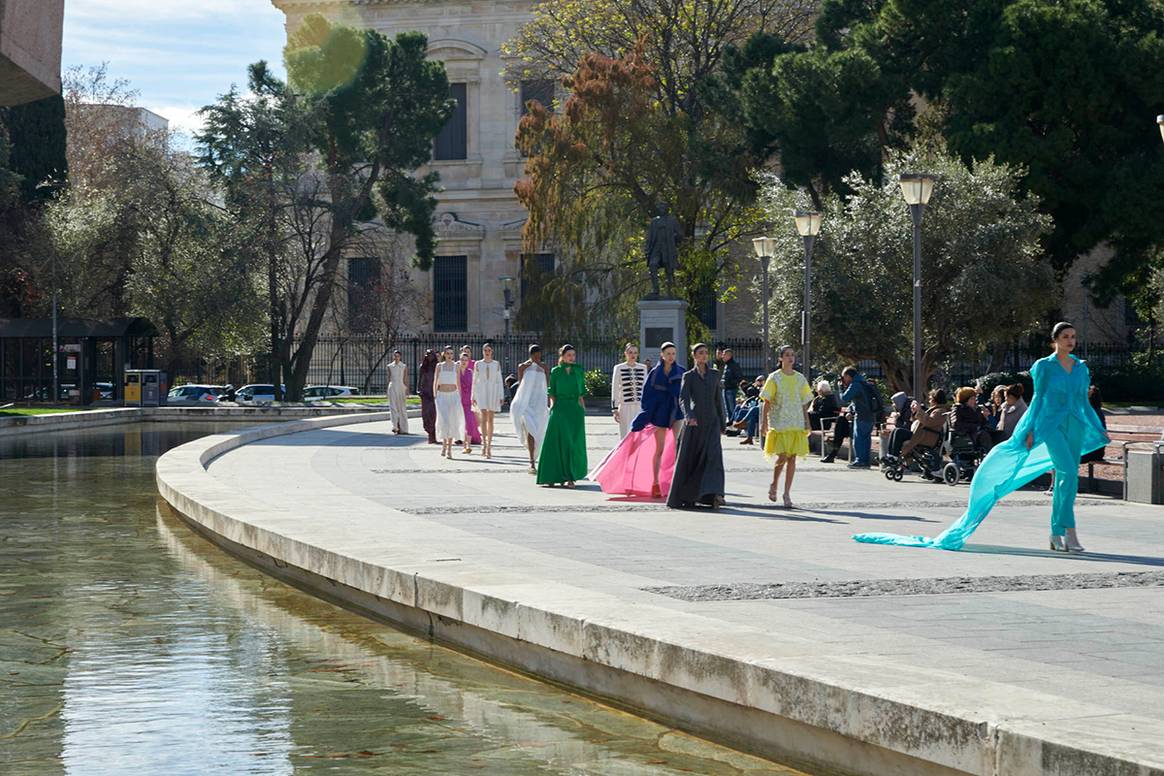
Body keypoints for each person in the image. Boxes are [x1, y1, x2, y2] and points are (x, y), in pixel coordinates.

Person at [855, 322, 1109, 552]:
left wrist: (1097, 426)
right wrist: (1029, 430)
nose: (1070, 341)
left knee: (1068, 478)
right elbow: (1038, 401)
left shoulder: (1081, 369)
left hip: (1075, 424)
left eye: (1073, 337)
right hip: (1051, 427)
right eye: (1065, 336)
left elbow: (1082, 402)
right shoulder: (1043, 366)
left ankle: (1057, 533)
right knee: (1068, 472)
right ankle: (1070, 532)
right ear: (1054, 340)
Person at [589, 342, 683, 498]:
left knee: (673, 447)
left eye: (674, 353)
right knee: (656, 448)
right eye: (668, 353)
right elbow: (643, 394)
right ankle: (654, 482)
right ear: (662, 355)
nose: (671, 357)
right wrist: (616, 408)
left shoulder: (679, 371)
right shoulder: (653, 373)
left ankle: (671, 482)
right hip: (654, 412)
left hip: (676, 413)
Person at [668, 343, 726, 509]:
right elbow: (683, 398)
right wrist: (689, 416)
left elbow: (718, 400)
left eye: (706, 353)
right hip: (695, 422)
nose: (704, 356)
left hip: (712, 421)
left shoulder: (715, 374)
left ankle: (716, 494)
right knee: (693, 458)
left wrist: (722, 422)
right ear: (694, 356)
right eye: (700, 353)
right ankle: (690, 494)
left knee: (714, 457)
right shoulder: (689, 376)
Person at [759, 346, 813, 508]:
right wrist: (764, 422)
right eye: (787, 355)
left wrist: (807, 421)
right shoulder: (774, 378)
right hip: (779, 421)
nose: (791, 358)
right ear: (781, 358)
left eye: (792, 355)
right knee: (782, 457)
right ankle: (774, 484)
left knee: (792, 458)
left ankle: (787, 493)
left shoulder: (800, 378)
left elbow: (804, 402)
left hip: (796, 422)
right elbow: (766, 401)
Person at [537, 344, 588, 487]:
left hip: (575, 410)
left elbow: (581, 393)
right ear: (562, 356)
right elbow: (551, 391)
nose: (572, 358)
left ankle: (571, 477)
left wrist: (582, 409)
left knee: (573, 443)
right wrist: (553, 407)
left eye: (573, 355)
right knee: (556, 442)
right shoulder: (556, 371)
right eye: (569, 355)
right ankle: (552, 476)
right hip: (559, 409)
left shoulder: (578, 370)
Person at [510, 345, 550, 474]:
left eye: (539, 355)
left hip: (539, 404)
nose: (538, 358)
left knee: (539, 431)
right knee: (530, 429)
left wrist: (549, 401)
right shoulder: (523, 367)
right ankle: (531, 461)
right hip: (526, 404)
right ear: (531, 355)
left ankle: (537, 457)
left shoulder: (544, 367)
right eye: (535, 355)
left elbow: (548, 385)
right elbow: (521, 384)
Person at [839, 366, 875, 468]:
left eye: (844, 377)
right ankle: (865, 461)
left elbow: (845, 398)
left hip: (862, 416)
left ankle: (860, 461)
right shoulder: (864, 383)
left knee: (858, 439)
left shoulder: (855, 385)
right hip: (870, 415)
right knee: (866, 439)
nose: (843, 379)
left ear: (848, 376)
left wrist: (841, 388)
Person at [472, 342, 504, 459]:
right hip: (481, 392)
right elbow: (474, 380)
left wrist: (501, 395)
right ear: (483, 351)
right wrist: (473, 396)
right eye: (485, 350)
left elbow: (499, 380)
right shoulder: (478, 364)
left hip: (493, 392)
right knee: (484, 417)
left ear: (492, 352)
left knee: (491, 419)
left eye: (489, 350)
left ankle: (489, 446)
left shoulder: (496, 364)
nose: (487, 352)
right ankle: (484, 445)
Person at [611, 343, 648, 439]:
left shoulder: (643, 368)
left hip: (640, 406)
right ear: (625, 353)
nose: (633, 355)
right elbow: (615, 388)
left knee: (640, 435)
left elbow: (646, 388)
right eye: (630, 352)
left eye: (635, 353)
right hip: (625, 407)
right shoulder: (618, 368)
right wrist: (615, 409)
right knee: (625, 435)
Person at [434, 346, 465, 459]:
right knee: (444, 421)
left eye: (451, 353)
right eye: (447, 353)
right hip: (442, 396)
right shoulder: (439, 366)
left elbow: (458, 382)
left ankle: (449, 449)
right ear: (444, 354)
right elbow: (435, 381)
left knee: (452, 421)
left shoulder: (456, 366)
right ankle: (444, 444)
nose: (449, 355)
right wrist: (435, 395)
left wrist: (460, 397)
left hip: (453, 396)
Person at [952, 387, 994, 452]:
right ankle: (991, 455)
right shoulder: (958, 409)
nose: (974, 401)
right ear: (965, 400)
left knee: (998, 434)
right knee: (984, 435)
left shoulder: (977, 408)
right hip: (967, 434)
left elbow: (982, 422)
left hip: (978, 432)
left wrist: (986, 419)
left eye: (975, 398)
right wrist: (975, 427)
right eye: (972, 399)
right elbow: (956, 424)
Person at [458, 347, 482, 453]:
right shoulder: (456, 372)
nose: (464, 362)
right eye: (462, 360)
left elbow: (475, 387)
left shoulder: (471, 372)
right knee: (460, 423)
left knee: (470, 423)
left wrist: (475, 398)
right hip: (458, 400)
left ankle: (467, 445)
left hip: (468, 401)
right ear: (459, 361)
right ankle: (464, 444)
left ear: (469, 362)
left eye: (466, 360)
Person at [386, 350, 410, 435]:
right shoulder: (390, 366)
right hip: (392, 386)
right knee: (393, 407)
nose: (396, 358)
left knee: (402, 408)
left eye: (398, 356)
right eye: (395, 356)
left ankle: (404, 428)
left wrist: (407, 390)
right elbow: (389, 378)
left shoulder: (403, 366)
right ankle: (395, 426)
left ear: (400, 357)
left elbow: (406, 378)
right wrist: (387, 391)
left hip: (401, 387)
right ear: (393, 357)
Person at [719, 347, 743, 429]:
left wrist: (730, 383)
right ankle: (730, 425)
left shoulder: (734, 365)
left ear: (729, 355)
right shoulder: (727, 365)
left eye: (724, 355)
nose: (722, 356)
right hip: (726, 388)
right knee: (727, 408)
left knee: (732, 408)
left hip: (731, 389)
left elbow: (738, 377)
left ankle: (735, 425)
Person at [418, 350, 438, 444]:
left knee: (433, 415)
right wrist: (419, 390)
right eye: (428, 355)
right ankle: (429, 431)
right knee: (425, 415)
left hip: (434, 393)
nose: (429, 357)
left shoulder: (437, 367)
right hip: (425, 393)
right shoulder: (423, 367)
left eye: (431, 355)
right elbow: (420, 379)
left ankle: (432, 435)